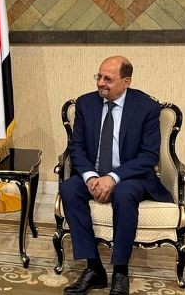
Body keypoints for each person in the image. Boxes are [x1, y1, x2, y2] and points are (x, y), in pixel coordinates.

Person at [60, 56, 172, 295]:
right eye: (99, 77)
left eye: (108, 79)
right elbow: (76, 147)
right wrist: (90, 177)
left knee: (124, 193)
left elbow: (149, 155)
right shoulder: (86, 103)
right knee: (68, 188)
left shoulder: (146, 107)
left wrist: (113, 177)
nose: (100, 83)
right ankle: (94, 268)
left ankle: (121, 271)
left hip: (131, 177)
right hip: (94, 173)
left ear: (126, 81)